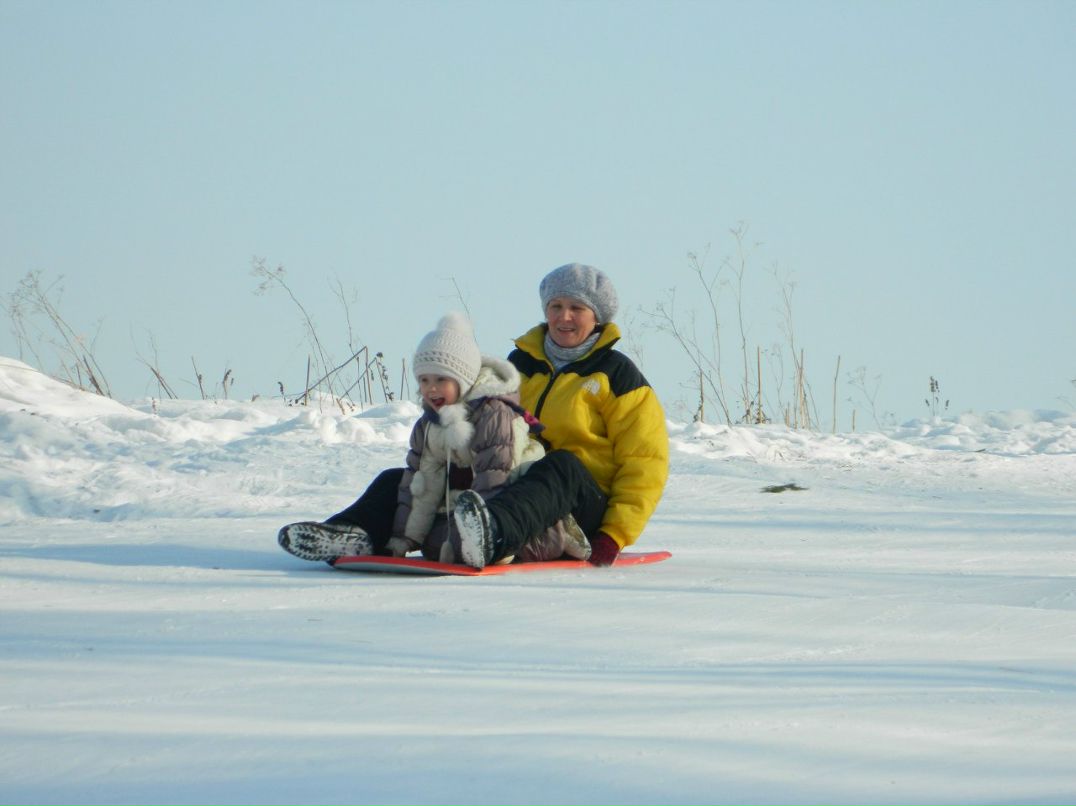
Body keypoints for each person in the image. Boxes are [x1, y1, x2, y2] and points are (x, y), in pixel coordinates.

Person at [277, 312, 588, 564]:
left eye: (441, 379)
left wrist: (485, 529)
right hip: (462, 509)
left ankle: (487, 537)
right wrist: (402, 541)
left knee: (469, 532)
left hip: (513, 509)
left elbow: (495, 477)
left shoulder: (494, 412)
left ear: (464, 380)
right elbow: (422, 485)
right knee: (395, 481)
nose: (432, 388)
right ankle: (351, 534)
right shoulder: (429, 424)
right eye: (424, 380)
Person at [452, 263, 669, 568]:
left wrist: (614, 534)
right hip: (517, 487)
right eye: (556, 306)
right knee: (420, 470)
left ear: (597, 317)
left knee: (561, 463)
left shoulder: (618, 376)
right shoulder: (519, 365)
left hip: (583, 507)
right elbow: (486, 421)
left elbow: (645, 462)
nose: (563, 317)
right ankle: (364, 530)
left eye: (576, 308)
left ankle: (493, 533)